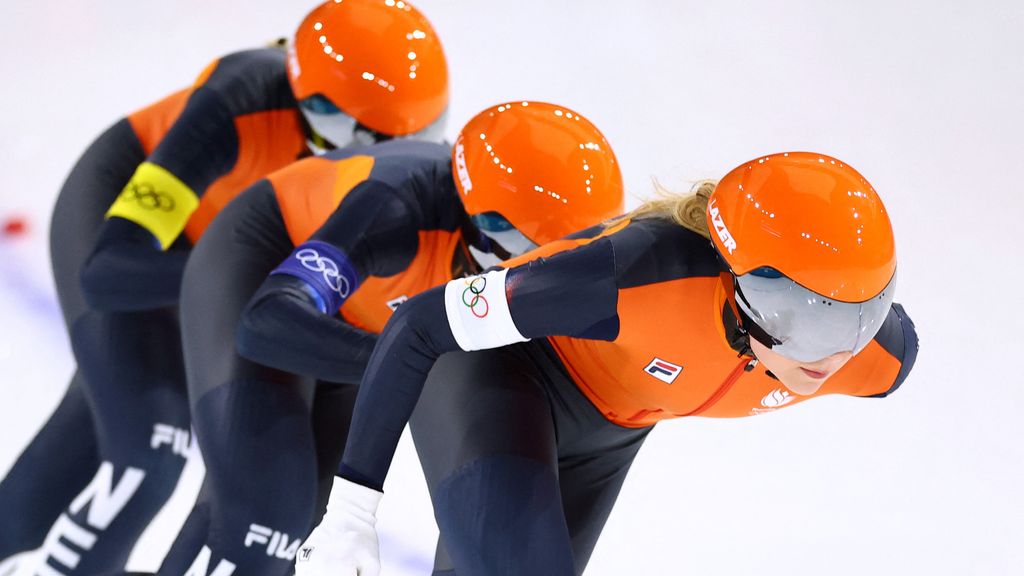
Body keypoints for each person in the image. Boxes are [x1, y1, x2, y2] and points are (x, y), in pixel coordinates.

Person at [290, 152, 920, 575]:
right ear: (734, 283)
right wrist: (351, 510)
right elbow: (419, 322)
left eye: (858, 318)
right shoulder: (634, 278)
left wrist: (831, 325)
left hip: (613, 427)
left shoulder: (874, 356)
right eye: (800, 320)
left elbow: (850, 327)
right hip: (502, 373)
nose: (830, 355)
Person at [0, 1, 448, 574]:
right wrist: (238, 283)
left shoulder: (396, 173)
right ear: (300, 97)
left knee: (115, 420)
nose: (367, 156)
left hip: (237, 264)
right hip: (138, 243)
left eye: (404, 138)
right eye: (345, 133)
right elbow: (109, 272)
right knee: (153, 446)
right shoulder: (239, 103)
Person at [168, 101, 623, 576]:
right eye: (521, 250)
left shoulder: (510, 250)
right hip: (259, 267)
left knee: (304, 540)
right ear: (480, 219)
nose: (528, 271)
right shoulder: (395, 210)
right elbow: (266, 322)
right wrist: (402, 362)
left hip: (366, 318)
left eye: (551, 259)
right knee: (264, 512)